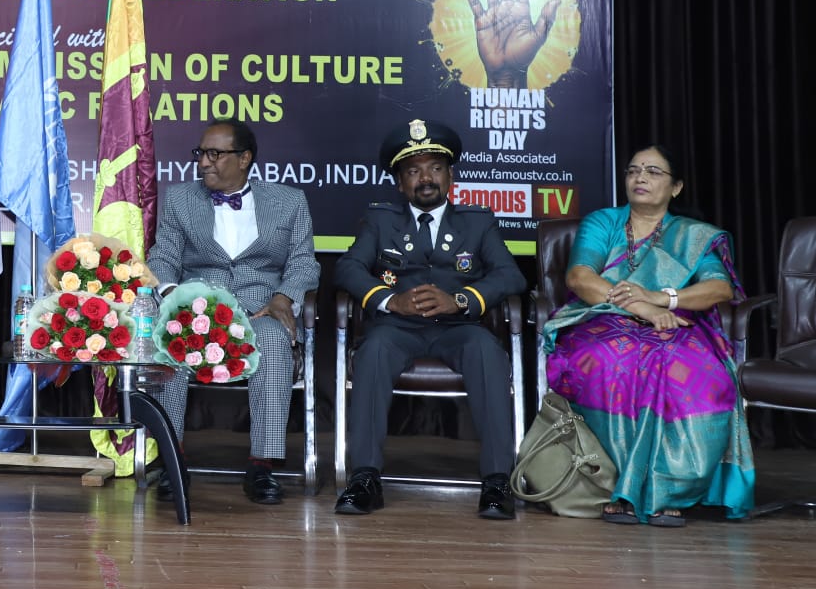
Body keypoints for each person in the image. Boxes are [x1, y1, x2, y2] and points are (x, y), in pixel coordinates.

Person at [544, 145, 753, 526]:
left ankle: (669, 490)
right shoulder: (603, 222)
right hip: (602, 319)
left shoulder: (693, 235)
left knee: (697, 374)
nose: (640, 177)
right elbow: (580, 278)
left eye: (653, 171)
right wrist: (642, 309)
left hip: (675, 326)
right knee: (609, 362)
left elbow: (719, 288)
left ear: (676, 186)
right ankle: (614, 485)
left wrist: (663, 298)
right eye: (633, 170)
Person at [334, 118, 525, 519]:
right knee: (373, 351)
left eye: (435, 168)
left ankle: (496, 482)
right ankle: (365, 479)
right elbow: (348, 268)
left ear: (450, 176)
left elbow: (511, 275)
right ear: (400, 183)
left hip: (459, 328)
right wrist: (391, 301)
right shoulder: (380, 220)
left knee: (487, 353)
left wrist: (461, 300)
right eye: (413, 171)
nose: (425, 179)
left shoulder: (477, 221)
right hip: (397, 328)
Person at [145, 120, 320, 505]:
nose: (203, 163)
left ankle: (262, 465)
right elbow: (163, 257)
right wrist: (174, 297)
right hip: (197, 307)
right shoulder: (180, 199)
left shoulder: (289, 201)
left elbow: (304, 263)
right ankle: (173, 460)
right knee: (168, 344)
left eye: (215, 154)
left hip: (260, 310)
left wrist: (284, 296)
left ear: (244, 159)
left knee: (273, 343)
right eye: (200, 153)